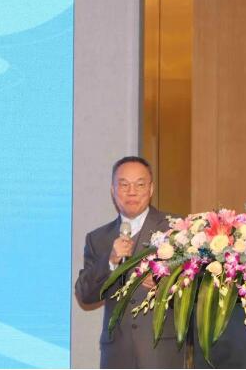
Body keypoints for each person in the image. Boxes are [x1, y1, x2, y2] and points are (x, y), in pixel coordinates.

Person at [75, 156, 184, 368]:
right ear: (113, 190)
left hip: (162, 352)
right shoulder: (98, 238)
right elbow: (85, 294)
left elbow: (196, 286)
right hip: (117, 355)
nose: (131, 192)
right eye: (124, 185)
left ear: (151, 189)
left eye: (139, 184)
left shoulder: (176, 228)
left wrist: (166, 282)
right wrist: (110, 261)